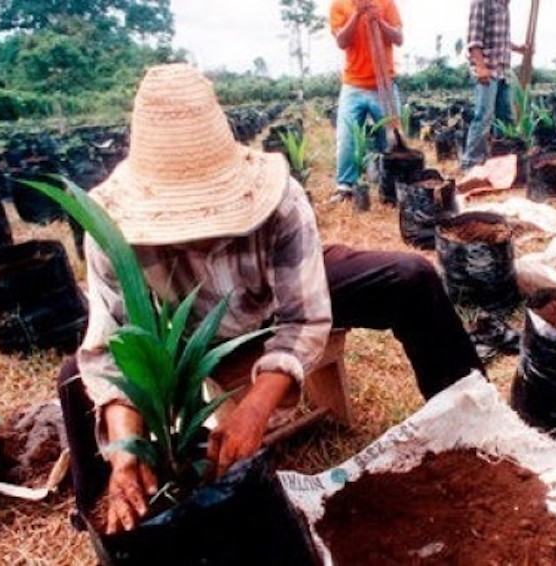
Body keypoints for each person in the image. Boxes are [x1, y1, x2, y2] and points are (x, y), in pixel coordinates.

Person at [59, 64, 484, 534]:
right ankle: (119, 516)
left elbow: (303, 319)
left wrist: (254, 410)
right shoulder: (112, 233)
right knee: (74, 379)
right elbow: (112, 352)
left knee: (411, 277)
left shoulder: (279, 199)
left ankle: (469, 420)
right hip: (185, 336)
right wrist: (125, 453)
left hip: (276, 300)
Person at [329, 0, 402, 202]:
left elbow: (399, 38)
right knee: (346, 139)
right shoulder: (339, 5)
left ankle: (393, 185)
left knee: (392, 139)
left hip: (384, 84)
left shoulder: (386, 3)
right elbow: (342, 41)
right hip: (353, 85)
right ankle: (345, 186)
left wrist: (379, 21)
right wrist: (358, 14)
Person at [460, 0, 529, 171]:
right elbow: (474, 40)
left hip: (502, 71)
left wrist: (518, 48)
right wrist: (481, 67)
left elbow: (501, 39)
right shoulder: (482, 2)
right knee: (484, 116)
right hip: (487, 69)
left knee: (506, 118)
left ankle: (504, 160)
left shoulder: (504, 5)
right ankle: (471, 163)